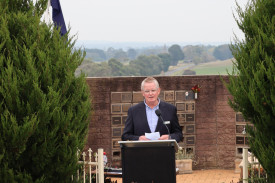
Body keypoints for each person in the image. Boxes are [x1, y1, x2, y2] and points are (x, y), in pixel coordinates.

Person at [121, 77, 183, 142]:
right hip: (141, 151)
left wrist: (169, 137)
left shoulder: (170, 109)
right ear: (142, 93)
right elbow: (125, 136)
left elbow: (179, 134)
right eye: (147, 91)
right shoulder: (133, 111)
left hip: (164, 150)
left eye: (153, 90)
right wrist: (139, 138)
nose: (150, 94)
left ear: (158, 91)